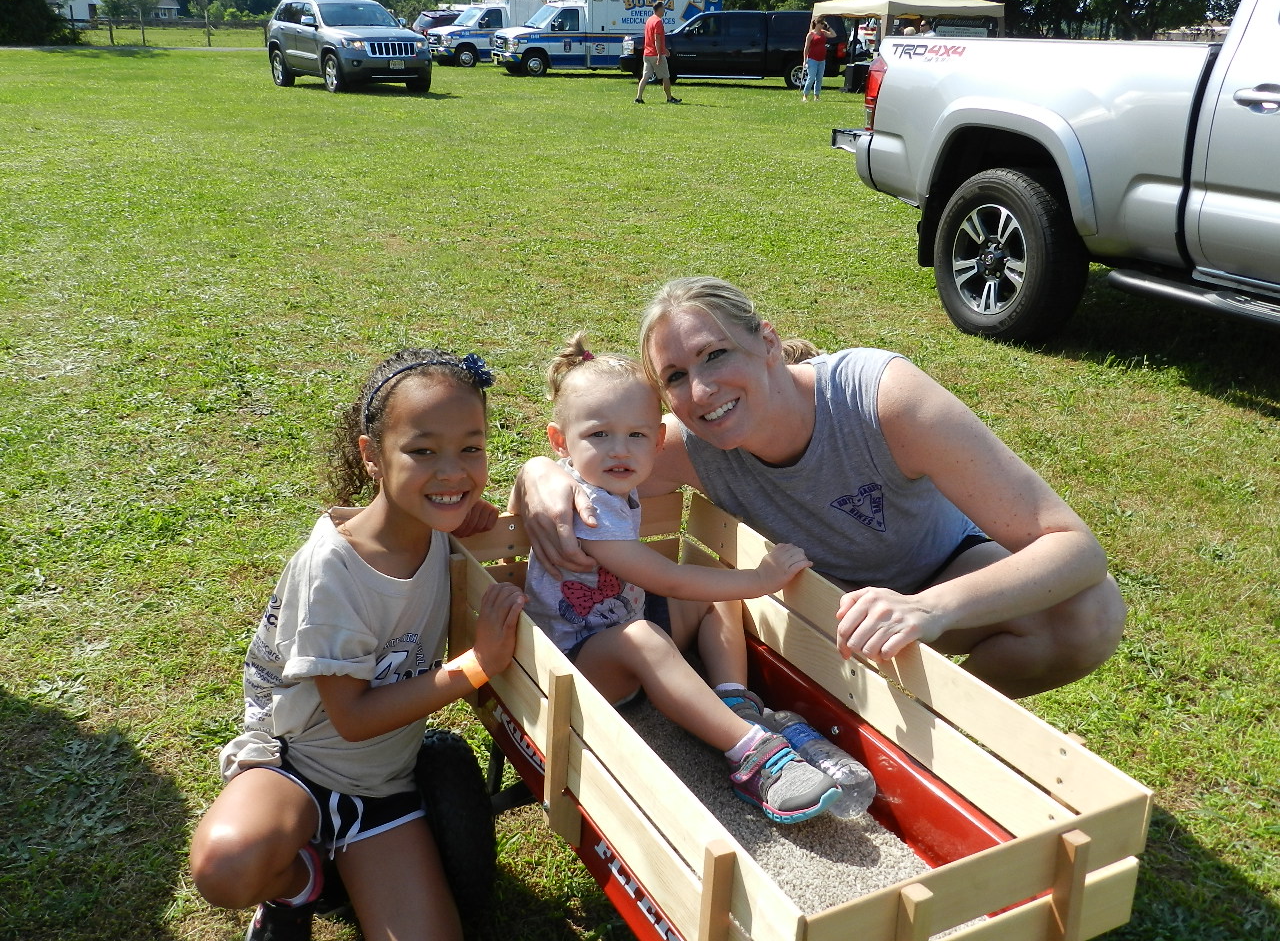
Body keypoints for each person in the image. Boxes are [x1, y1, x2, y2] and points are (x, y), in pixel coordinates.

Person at [511, 279, 1127, 700]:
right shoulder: (685, 444)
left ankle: (934, 741)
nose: (700, 391)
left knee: (1089, 614)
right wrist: (538, 473)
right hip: (824, 615)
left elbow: (1075, 548)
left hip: (941, 574)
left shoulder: (881, 396)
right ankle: (884, 729)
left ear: (768, 342)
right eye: (675, 376)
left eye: (715, 354)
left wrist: (930, 609)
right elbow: (583, 462)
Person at [190, 349, 527, 941]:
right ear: (372, 456)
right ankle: (297, 885)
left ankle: (335, 867)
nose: (452, 472)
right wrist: (476, 666)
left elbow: (501, 524)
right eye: (423, 451)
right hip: (296, 765)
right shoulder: (334, 569)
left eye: (470, 448)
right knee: (226, 867)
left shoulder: (440, 528)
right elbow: (352, 719)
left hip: (383, 786)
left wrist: (483, 514)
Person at [520, 332, 839, 823]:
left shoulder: (605, 485)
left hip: (624, 623)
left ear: (658, 440)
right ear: (561, 441)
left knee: (714, 593)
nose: (619, 450)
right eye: (599, 435)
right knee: (647, 635)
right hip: (578, 665)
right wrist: (761, 579)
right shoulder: (585, 509)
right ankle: (752, 754)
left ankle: (733, 702)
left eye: (636, 435)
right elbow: (667, 579)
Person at [635, 1, 680, 104]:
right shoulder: (658, 21)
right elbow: (657, 39)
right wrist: (660, 54)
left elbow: (651, 38)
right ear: (659, 9)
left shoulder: (649, 20)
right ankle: (669, 98)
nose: (664, 11)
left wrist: (664, 49)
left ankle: (639, 98)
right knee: (666, 76)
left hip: (647, 53)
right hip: (655, 54)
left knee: (645, 76)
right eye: (663, 8)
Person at [801, 16, 835, 102]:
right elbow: (806, 48)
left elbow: (834, 35)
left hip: (822, 60)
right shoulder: (810, 34)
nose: (823, 25)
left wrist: (828, 27)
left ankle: (816, 96)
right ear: (817, 24)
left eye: (823, 23)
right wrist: (805, 60)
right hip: (812, 59)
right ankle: (805, 95)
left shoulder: (824, 33)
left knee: (819, 79)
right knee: (811, 78)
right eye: (821, 23)